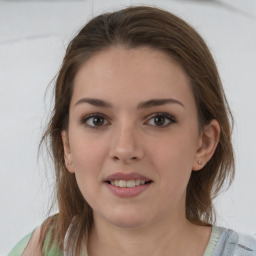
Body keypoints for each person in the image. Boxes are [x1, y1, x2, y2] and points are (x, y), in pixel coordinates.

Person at [8, 5, 256, 256]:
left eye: (159, 120)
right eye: (97, 120)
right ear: (68, 147)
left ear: (204, 143)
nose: (125, 149)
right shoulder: (35, 249)